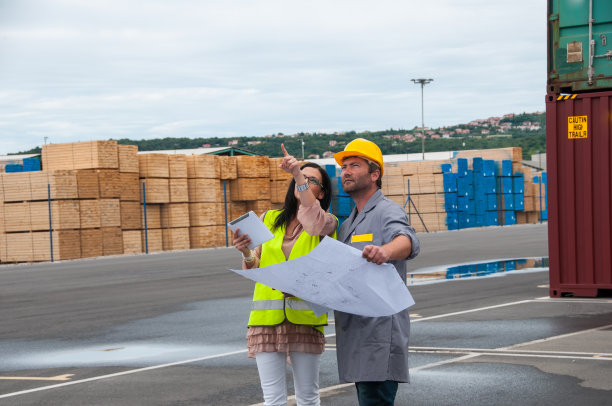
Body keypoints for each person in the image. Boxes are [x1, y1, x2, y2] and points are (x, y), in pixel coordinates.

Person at [233, 144, 338, 406]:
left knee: (307, 397)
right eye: (300, 176)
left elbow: (313, 222)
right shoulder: (269, 218)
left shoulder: (327, 223)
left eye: (311, 179)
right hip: (266, 321)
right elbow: (255, 268)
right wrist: (246, 252)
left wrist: (297, 174)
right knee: (273, 400)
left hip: (304, 320)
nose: (301, 180)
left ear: (321, 192)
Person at [332, 138, 420, 406]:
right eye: (344, 166)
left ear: (374, 174)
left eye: (354, 165)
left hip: (379, 334)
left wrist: (386, 252)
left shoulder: (386, 210)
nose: (345, 171)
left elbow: (407, 240)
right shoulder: (347, 225)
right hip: (357, 333)